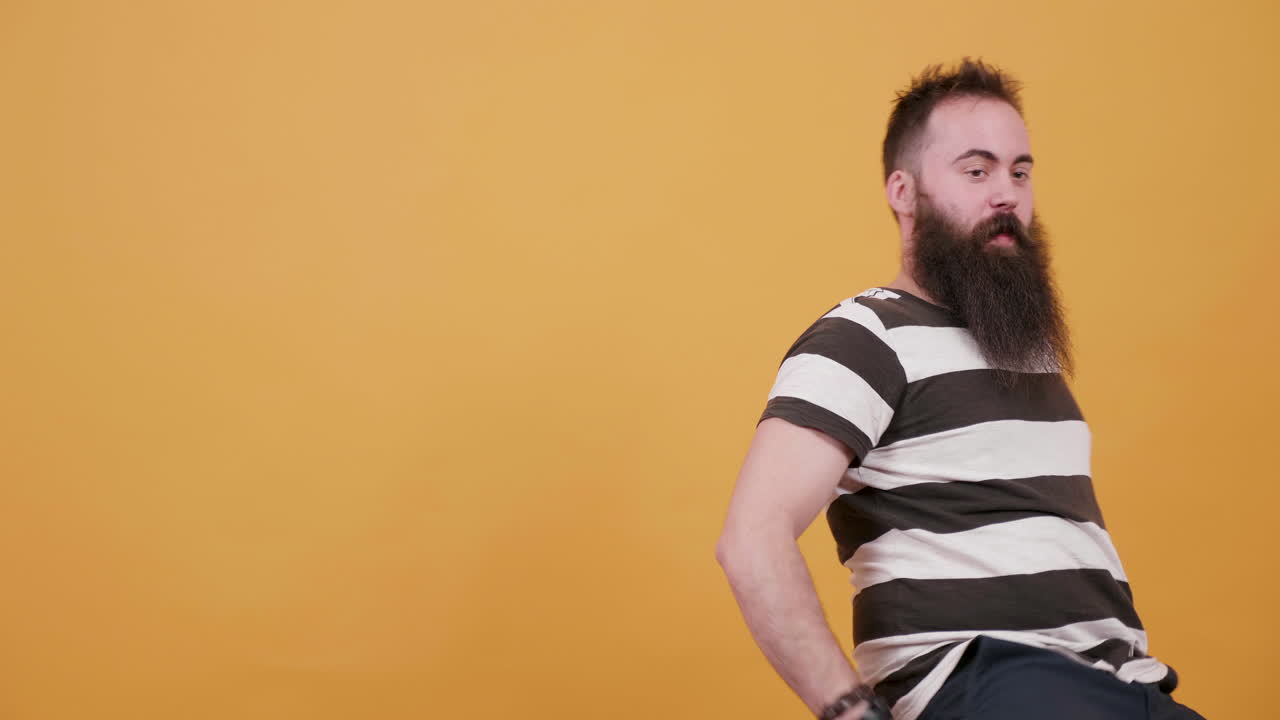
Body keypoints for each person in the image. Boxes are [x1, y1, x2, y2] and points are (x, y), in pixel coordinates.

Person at [714, 59, 1208, 720]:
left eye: (1020, 171)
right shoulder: (865, 337)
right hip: (987, 678)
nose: (1006, 193)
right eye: (977, 171)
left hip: (1121, 685)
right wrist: (851, 714)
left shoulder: (1025, 349)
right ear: (903, 191)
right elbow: (752, 536)